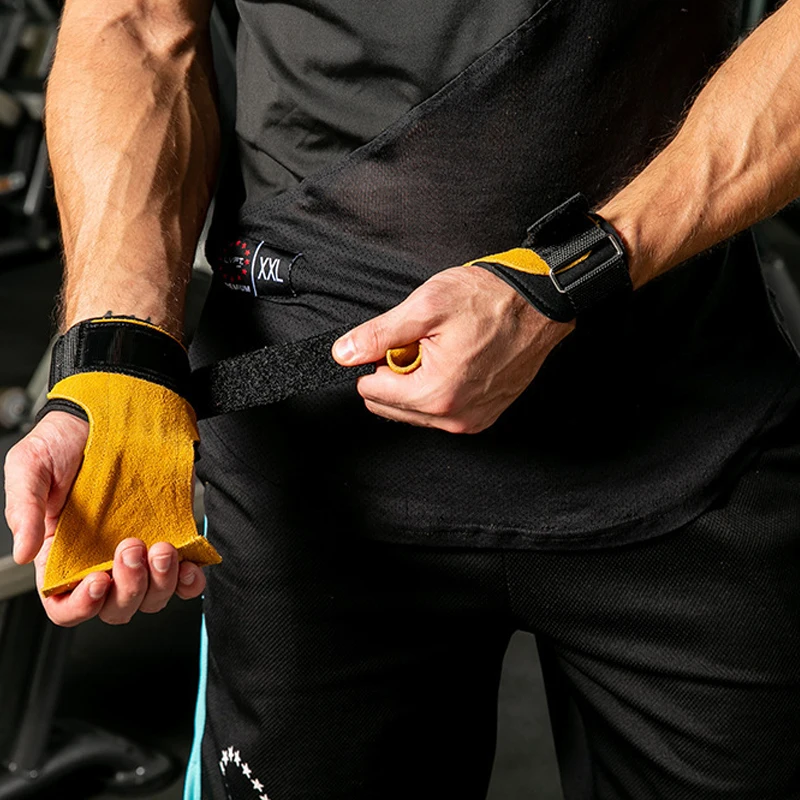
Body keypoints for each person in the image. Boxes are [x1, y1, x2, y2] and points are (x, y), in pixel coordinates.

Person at [5, 0, 800, 797]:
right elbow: (136, 22)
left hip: (687, 425)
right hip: (312, 466)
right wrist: (118, 355)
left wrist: (575, 270)